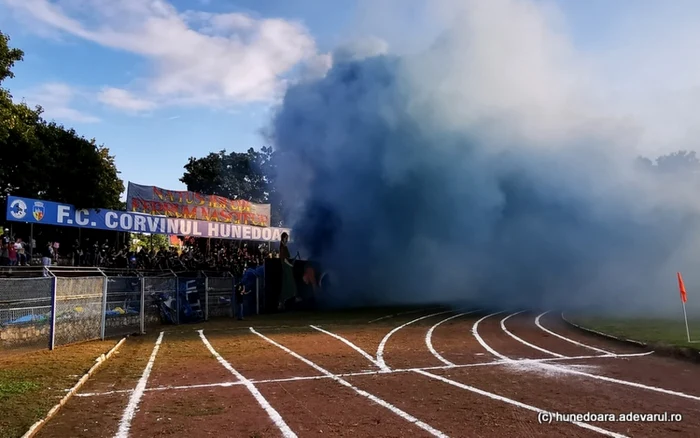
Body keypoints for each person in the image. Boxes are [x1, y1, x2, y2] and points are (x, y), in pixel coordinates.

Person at [278, 232, 298, 310]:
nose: (287, 239)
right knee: (289, 283)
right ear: (283, 238)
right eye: (286, 238)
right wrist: (290, 265)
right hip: (286, 267)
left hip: (286, 267)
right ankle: (283, 301)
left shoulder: (284, 247)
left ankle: (283, 301)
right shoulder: (283, 247)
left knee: (287, 283)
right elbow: (284, 259)